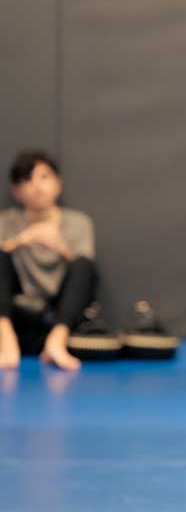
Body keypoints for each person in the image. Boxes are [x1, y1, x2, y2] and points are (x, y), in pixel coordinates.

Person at [0, 151, 97, 371]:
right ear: (16, 191)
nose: (36, 186)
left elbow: (84, 274)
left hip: (58, 314)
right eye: (27, 179)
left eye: (44, 177)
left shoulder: (78, 223)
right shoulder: (5, 222)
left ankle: (56, 343)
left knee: (84, 264)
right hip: (18, 314)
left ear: (58, 184)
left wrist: (59, 246)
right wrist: (20, 240)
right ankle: (5, 341)